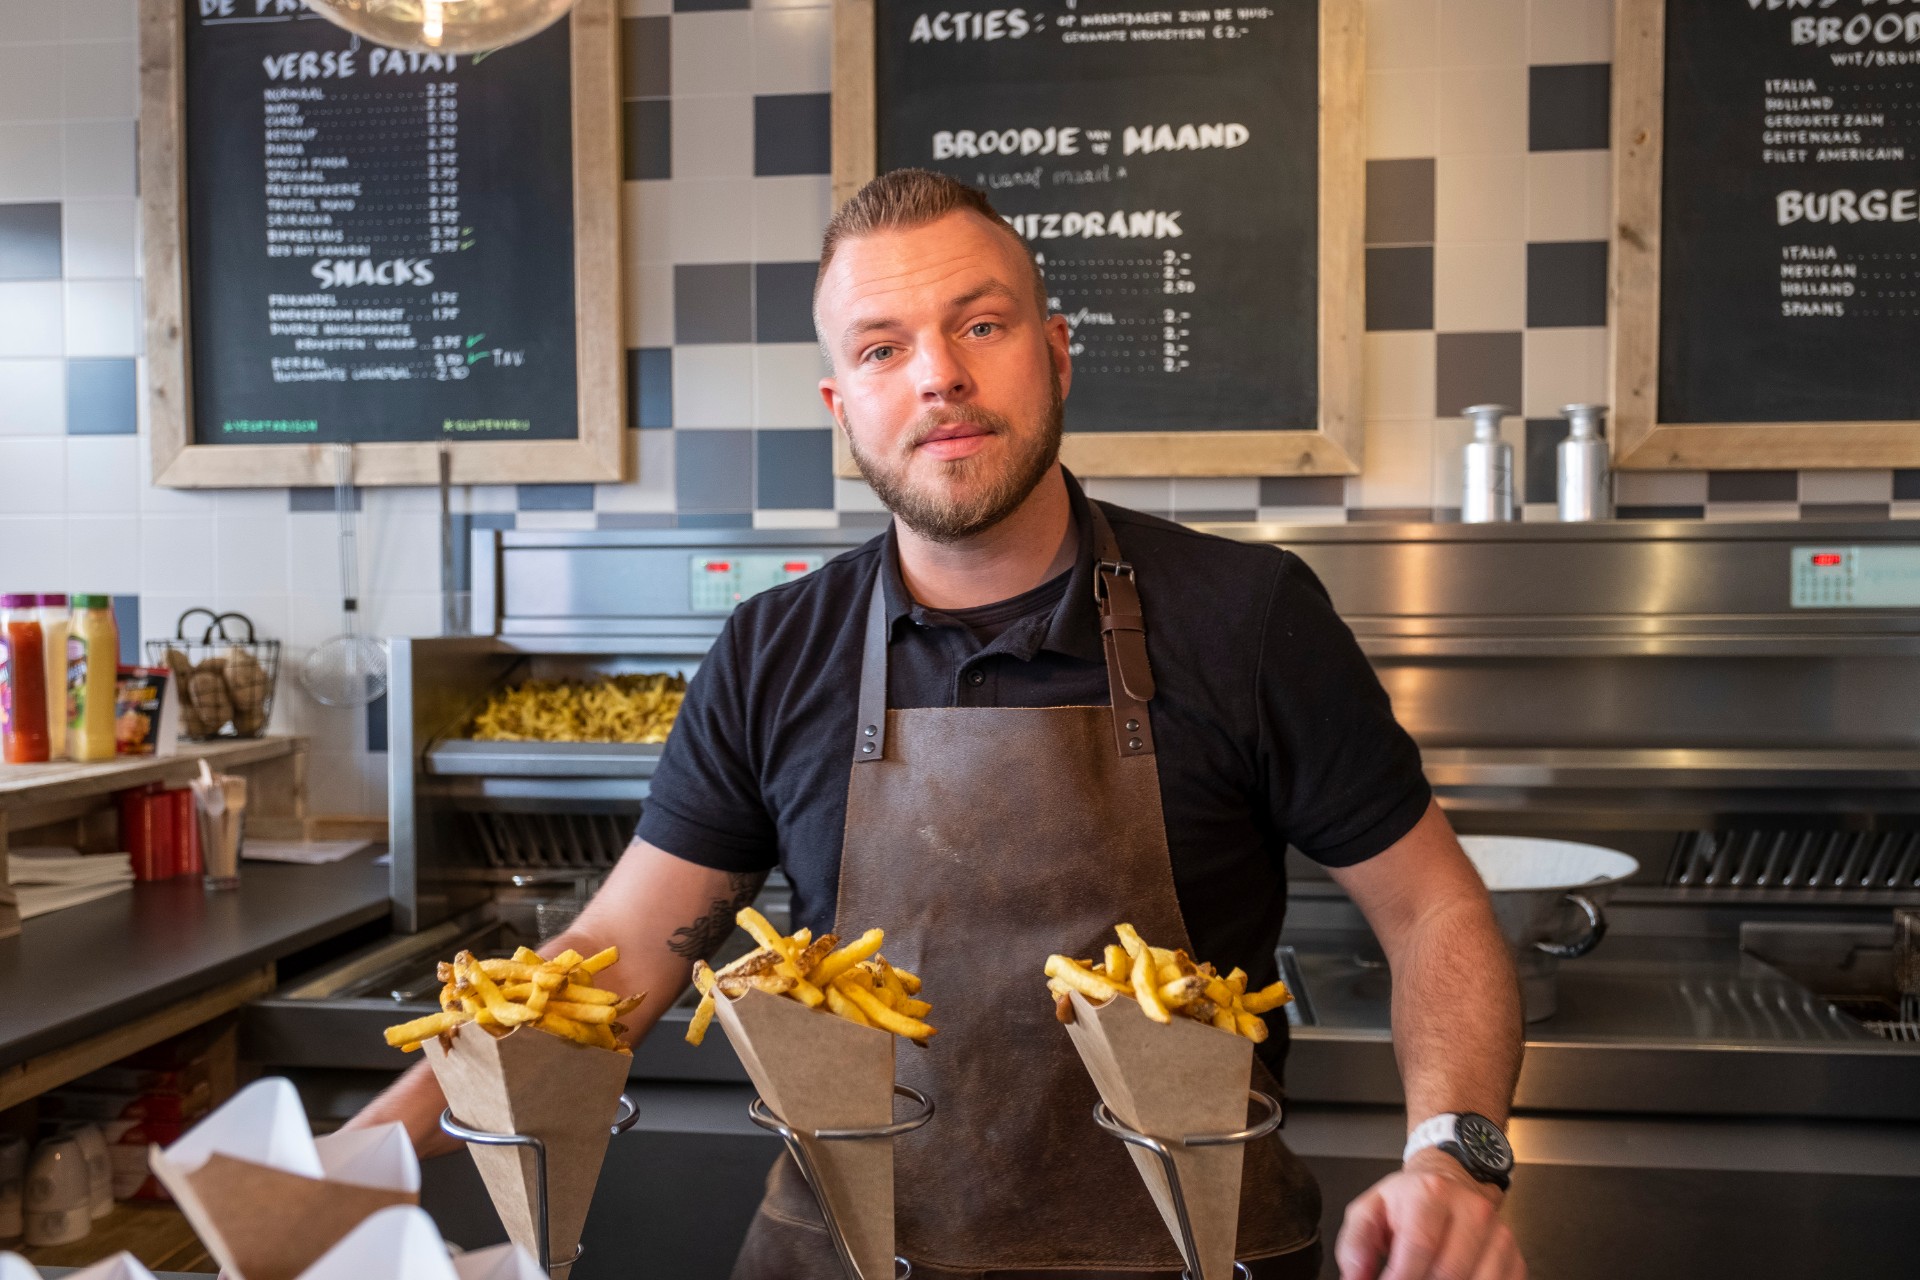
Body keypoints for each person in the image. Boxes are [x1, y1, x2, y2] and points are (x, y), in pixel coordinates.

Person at [348, 169, 1527, 1280]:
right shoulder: (773, 651)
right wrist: (342, 1162)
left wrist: (1456, 1153)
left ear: (1056, 352)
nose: (938, 376)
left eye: (982, 324)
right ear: (842, 404)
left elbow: (1432, 906)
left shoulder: (1247, 618)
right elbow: (598, 980)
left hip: (1199, 1254)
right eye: (882, 347)